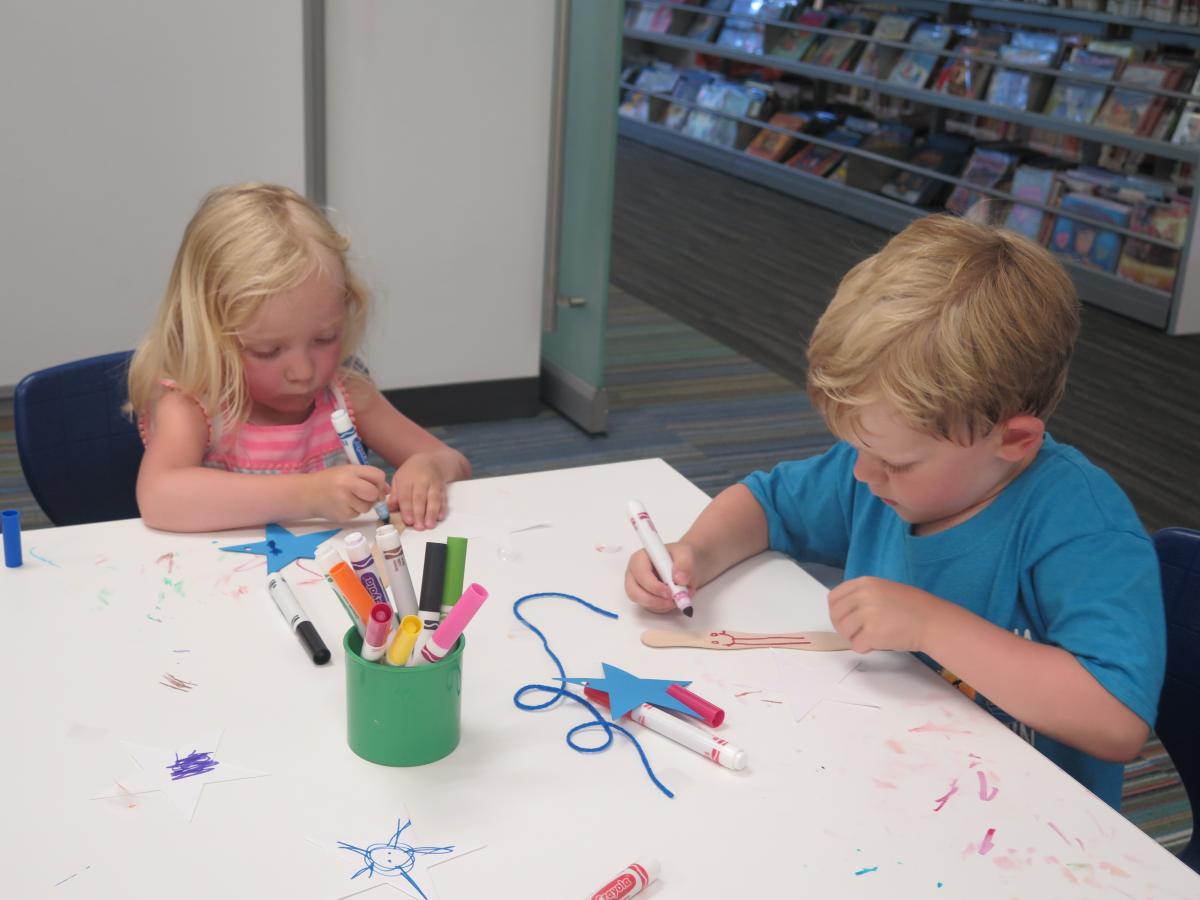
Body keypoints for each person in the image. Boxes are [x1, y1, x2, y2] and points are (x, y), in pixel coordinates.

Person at [624, 215, 1165, 809]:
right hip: (891, 783)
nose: (861, 474)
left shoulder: (1081, 526)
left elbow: (1117, 721)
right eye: (859, 449)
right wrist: (693, 552)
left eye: (896, 463)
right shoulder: (882, 470)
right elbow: (767, 503)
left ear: (1013, 441)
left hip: (1026, 824)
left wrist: (931, 625)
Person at [127, 183, 470, 533]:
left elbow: (452, 459)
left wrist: (427, 468)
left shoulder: (345, 393)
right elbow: (159, 498)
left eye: (325, 338)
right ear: (208, 335)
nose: (304, 372)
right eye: (268, 351)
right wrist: (308, 494)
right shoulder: (194, 406)